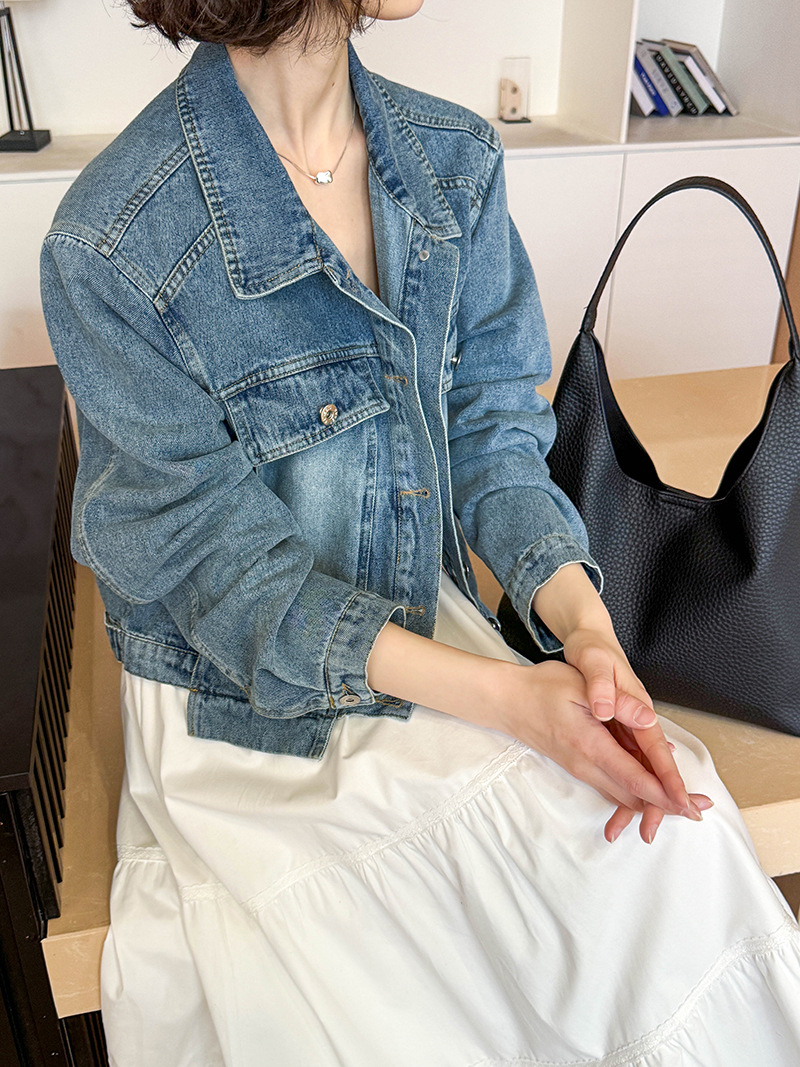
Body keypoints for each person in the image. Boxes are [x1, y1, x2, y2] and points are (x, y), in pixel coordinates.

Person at [40, 1, 800, 1064]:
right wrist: (512, 700)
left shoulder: (454, 160)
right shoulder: (112, 240)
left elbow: (494, 436)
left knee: (670, 845)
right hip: (246, 712)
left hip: (424, 625)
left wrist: (584, 628)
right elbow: (229, 582)